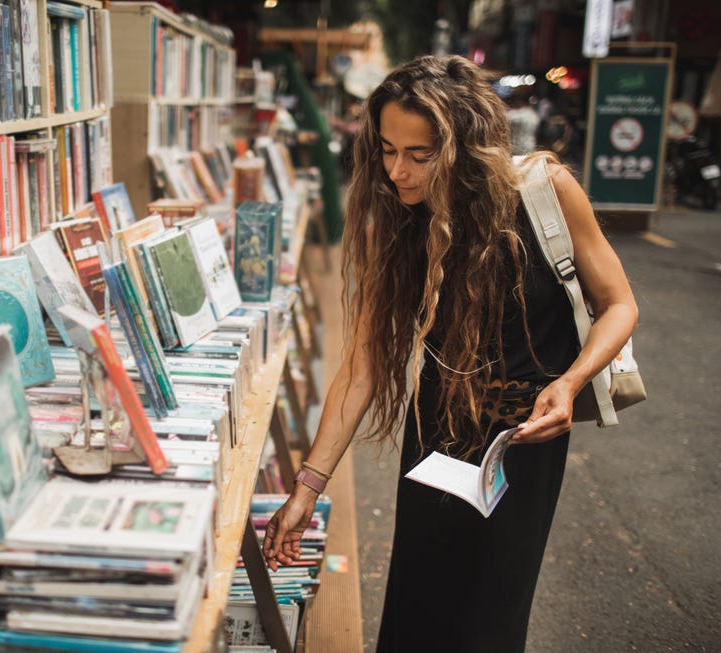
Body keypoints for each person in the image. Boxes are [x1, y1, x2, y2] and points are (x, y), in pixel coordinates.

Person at [261, 55, 638, 652]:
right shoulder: (396, 219)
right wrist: (308, 486)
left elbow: (619, 304)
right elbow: (364, 364)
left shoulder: (544, 191)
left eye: (420, 154)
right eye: (386, 149)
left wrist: (569, 384)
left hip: (524, 441)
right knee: (418, 607)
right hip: (435, 436)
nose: (397, 172)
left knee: (491, 617)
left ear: (465, 144)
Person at [506, 89, 541, 155]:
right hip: (530, 145)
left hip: (516, 148)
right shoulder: (533, 114)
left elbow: (506, 119)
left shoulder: (514, 114)